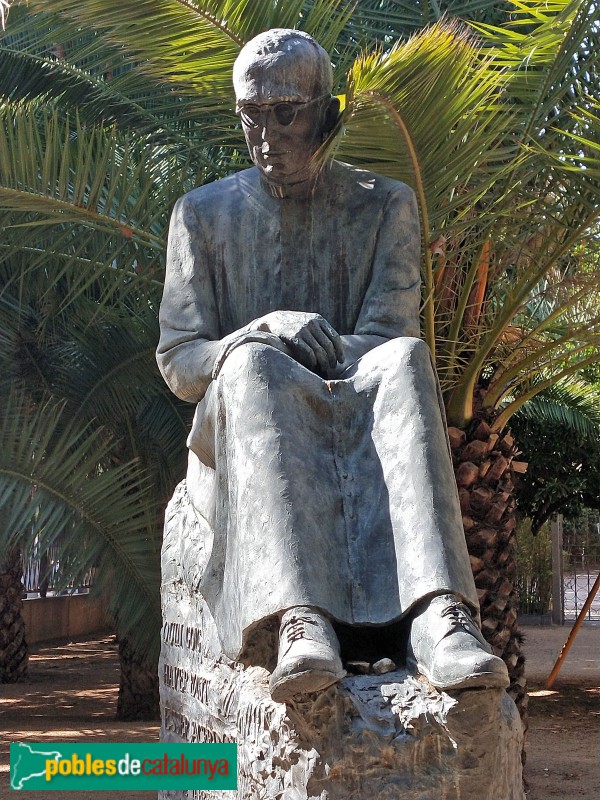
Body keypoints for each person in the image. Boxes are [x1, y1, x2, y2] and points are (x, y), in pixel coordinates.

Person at [157, 28, 509, 702]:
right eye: (250, 115)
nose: (265, 134)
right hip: (242, 413)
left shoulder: (386, 205)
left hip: (359, 403)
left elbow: (387, 336)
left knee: (408, 357)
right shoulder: (201, 216)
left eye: (283, 112)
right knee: (256, 366)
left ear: (324, 108)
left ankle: (438, 613)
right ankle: (299, 619)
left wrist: (311, 362)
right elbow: (180, 360)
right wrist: (260, 335)